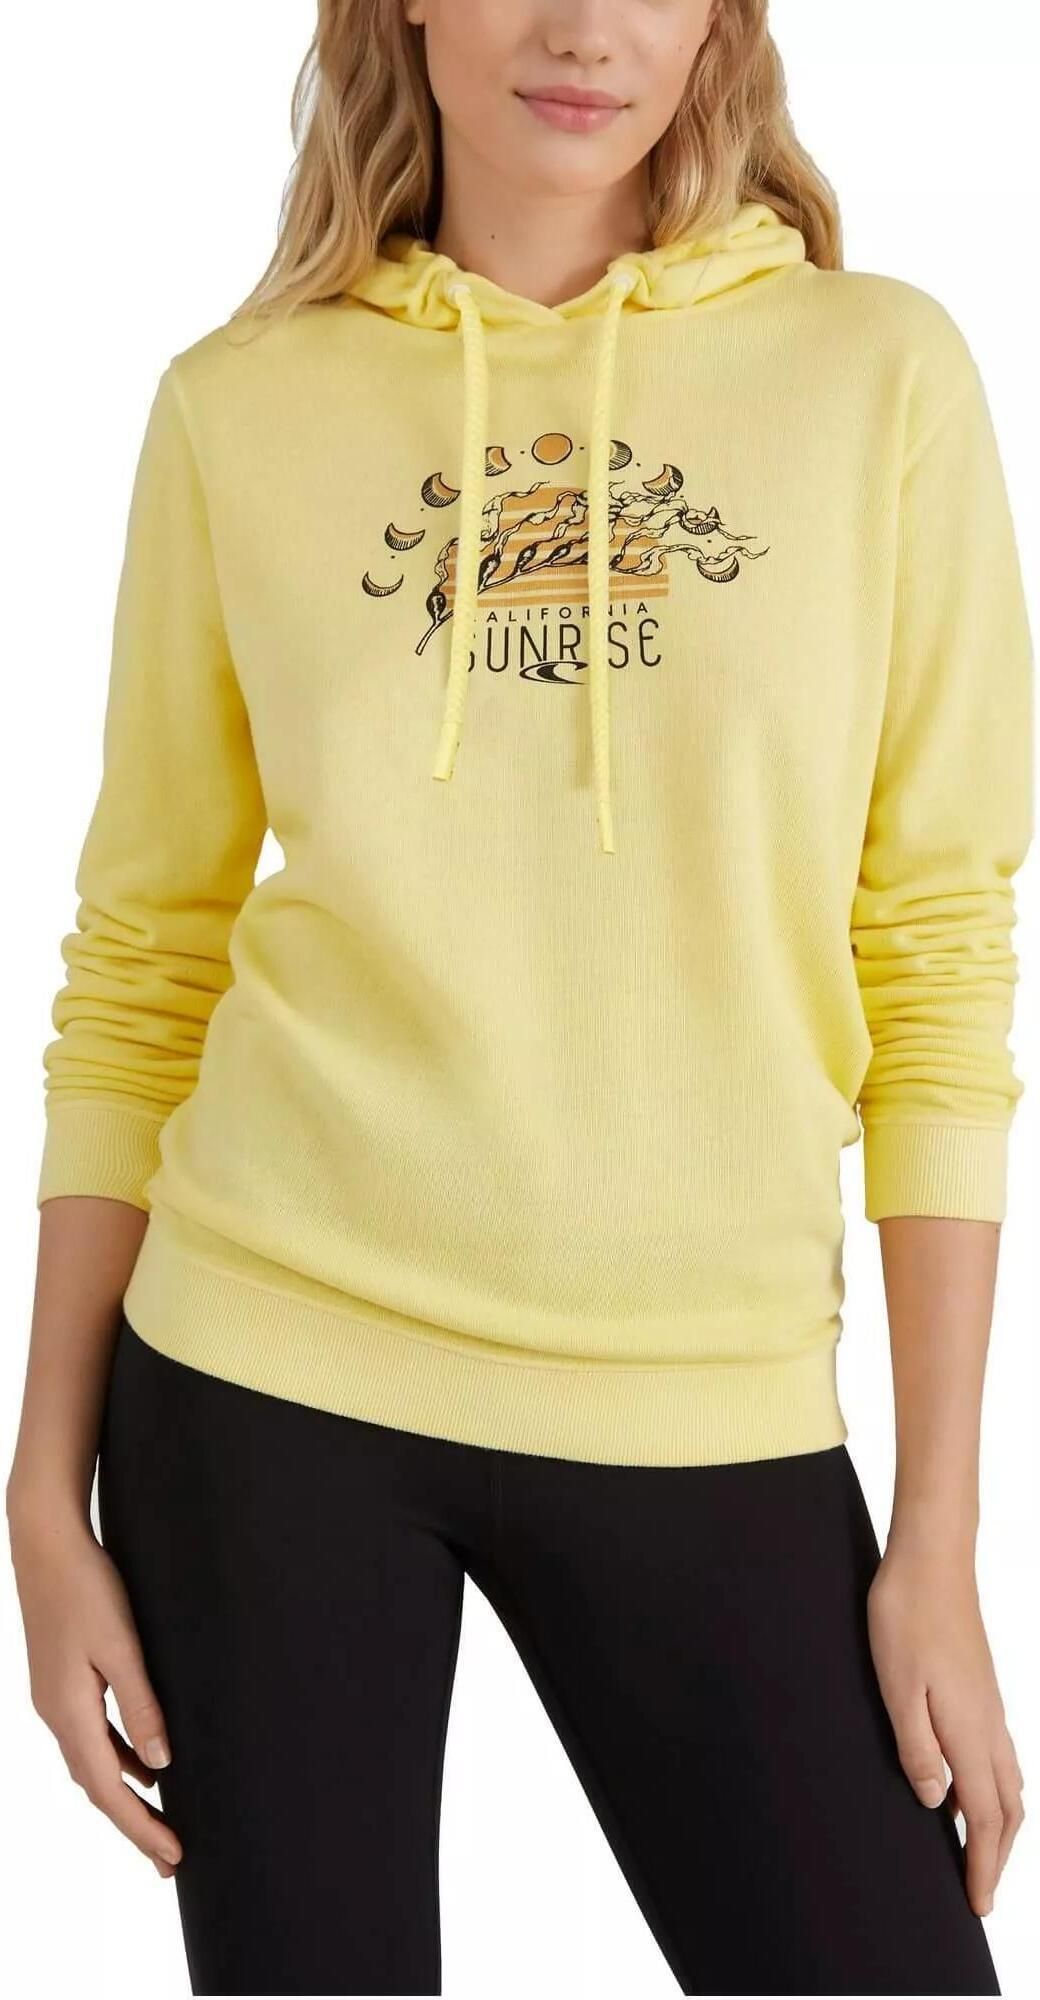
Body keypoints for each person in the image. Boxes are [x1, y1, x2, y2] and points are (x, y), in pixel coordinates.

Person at [6, 1, 1032, 1993]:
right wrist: (43, 1493)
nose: (582, 30)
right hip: (264, 1375)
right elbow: (143, 956)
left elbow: (936, 948)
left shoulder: (877, 375)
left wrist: (937, 1534)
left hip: (702, 1385)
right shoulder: (240, 403)